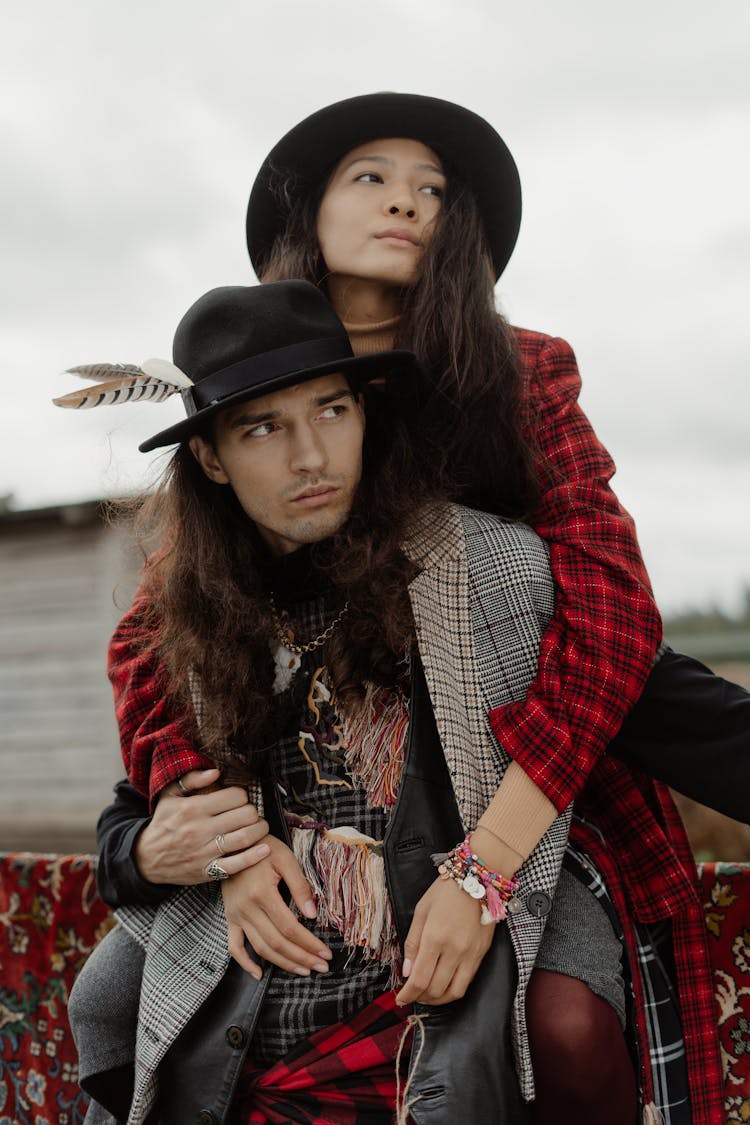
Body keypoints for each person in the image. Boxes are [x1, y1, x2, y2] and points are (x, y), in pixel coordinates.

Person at [82, 93, 734, 1121]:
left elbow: (608, 602)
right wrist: (221, 833)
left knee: (662, 699)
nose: (408, 204)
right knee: (116, 992)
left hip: (515, 681)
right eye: (372, 178)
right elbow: (158, 632)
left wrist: (488, 865)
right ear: (310, 211)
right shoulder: (264, 369)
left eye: (435, 188)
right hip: (325, 704)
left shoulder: (519, 370)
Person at [68, 278, 574, 1124]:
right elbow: (130, 824)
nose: (310, 455)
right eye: (264, 427)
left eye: (331, 410)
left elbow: (630, 700)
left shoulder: (486, 575)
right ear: (212, 456)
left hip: (417, 1041)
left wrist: (486, 879)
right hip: (239, 1050)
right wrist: (167, 852)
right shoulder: (193, 619)